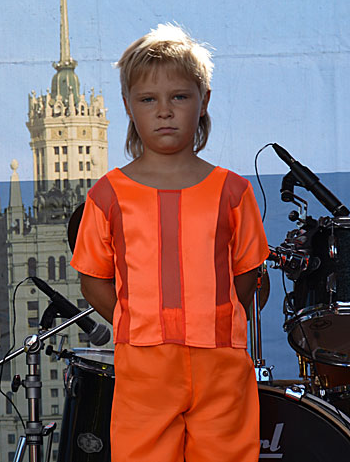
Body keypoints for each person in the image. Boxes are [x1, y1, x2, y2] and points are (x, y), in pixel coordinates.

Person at [70, 24, 268, 462]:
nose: (164, 111)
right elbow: (93, 280)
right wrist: (138, 321)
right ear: (128, 106)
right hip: (144, 365)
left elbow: (249, 276)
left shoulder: (233, 191)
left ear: (204, 101)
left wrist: (212, 320)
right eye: (148, 100)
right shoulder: (107, 194)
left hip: (221, 363)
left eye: (179, 97)